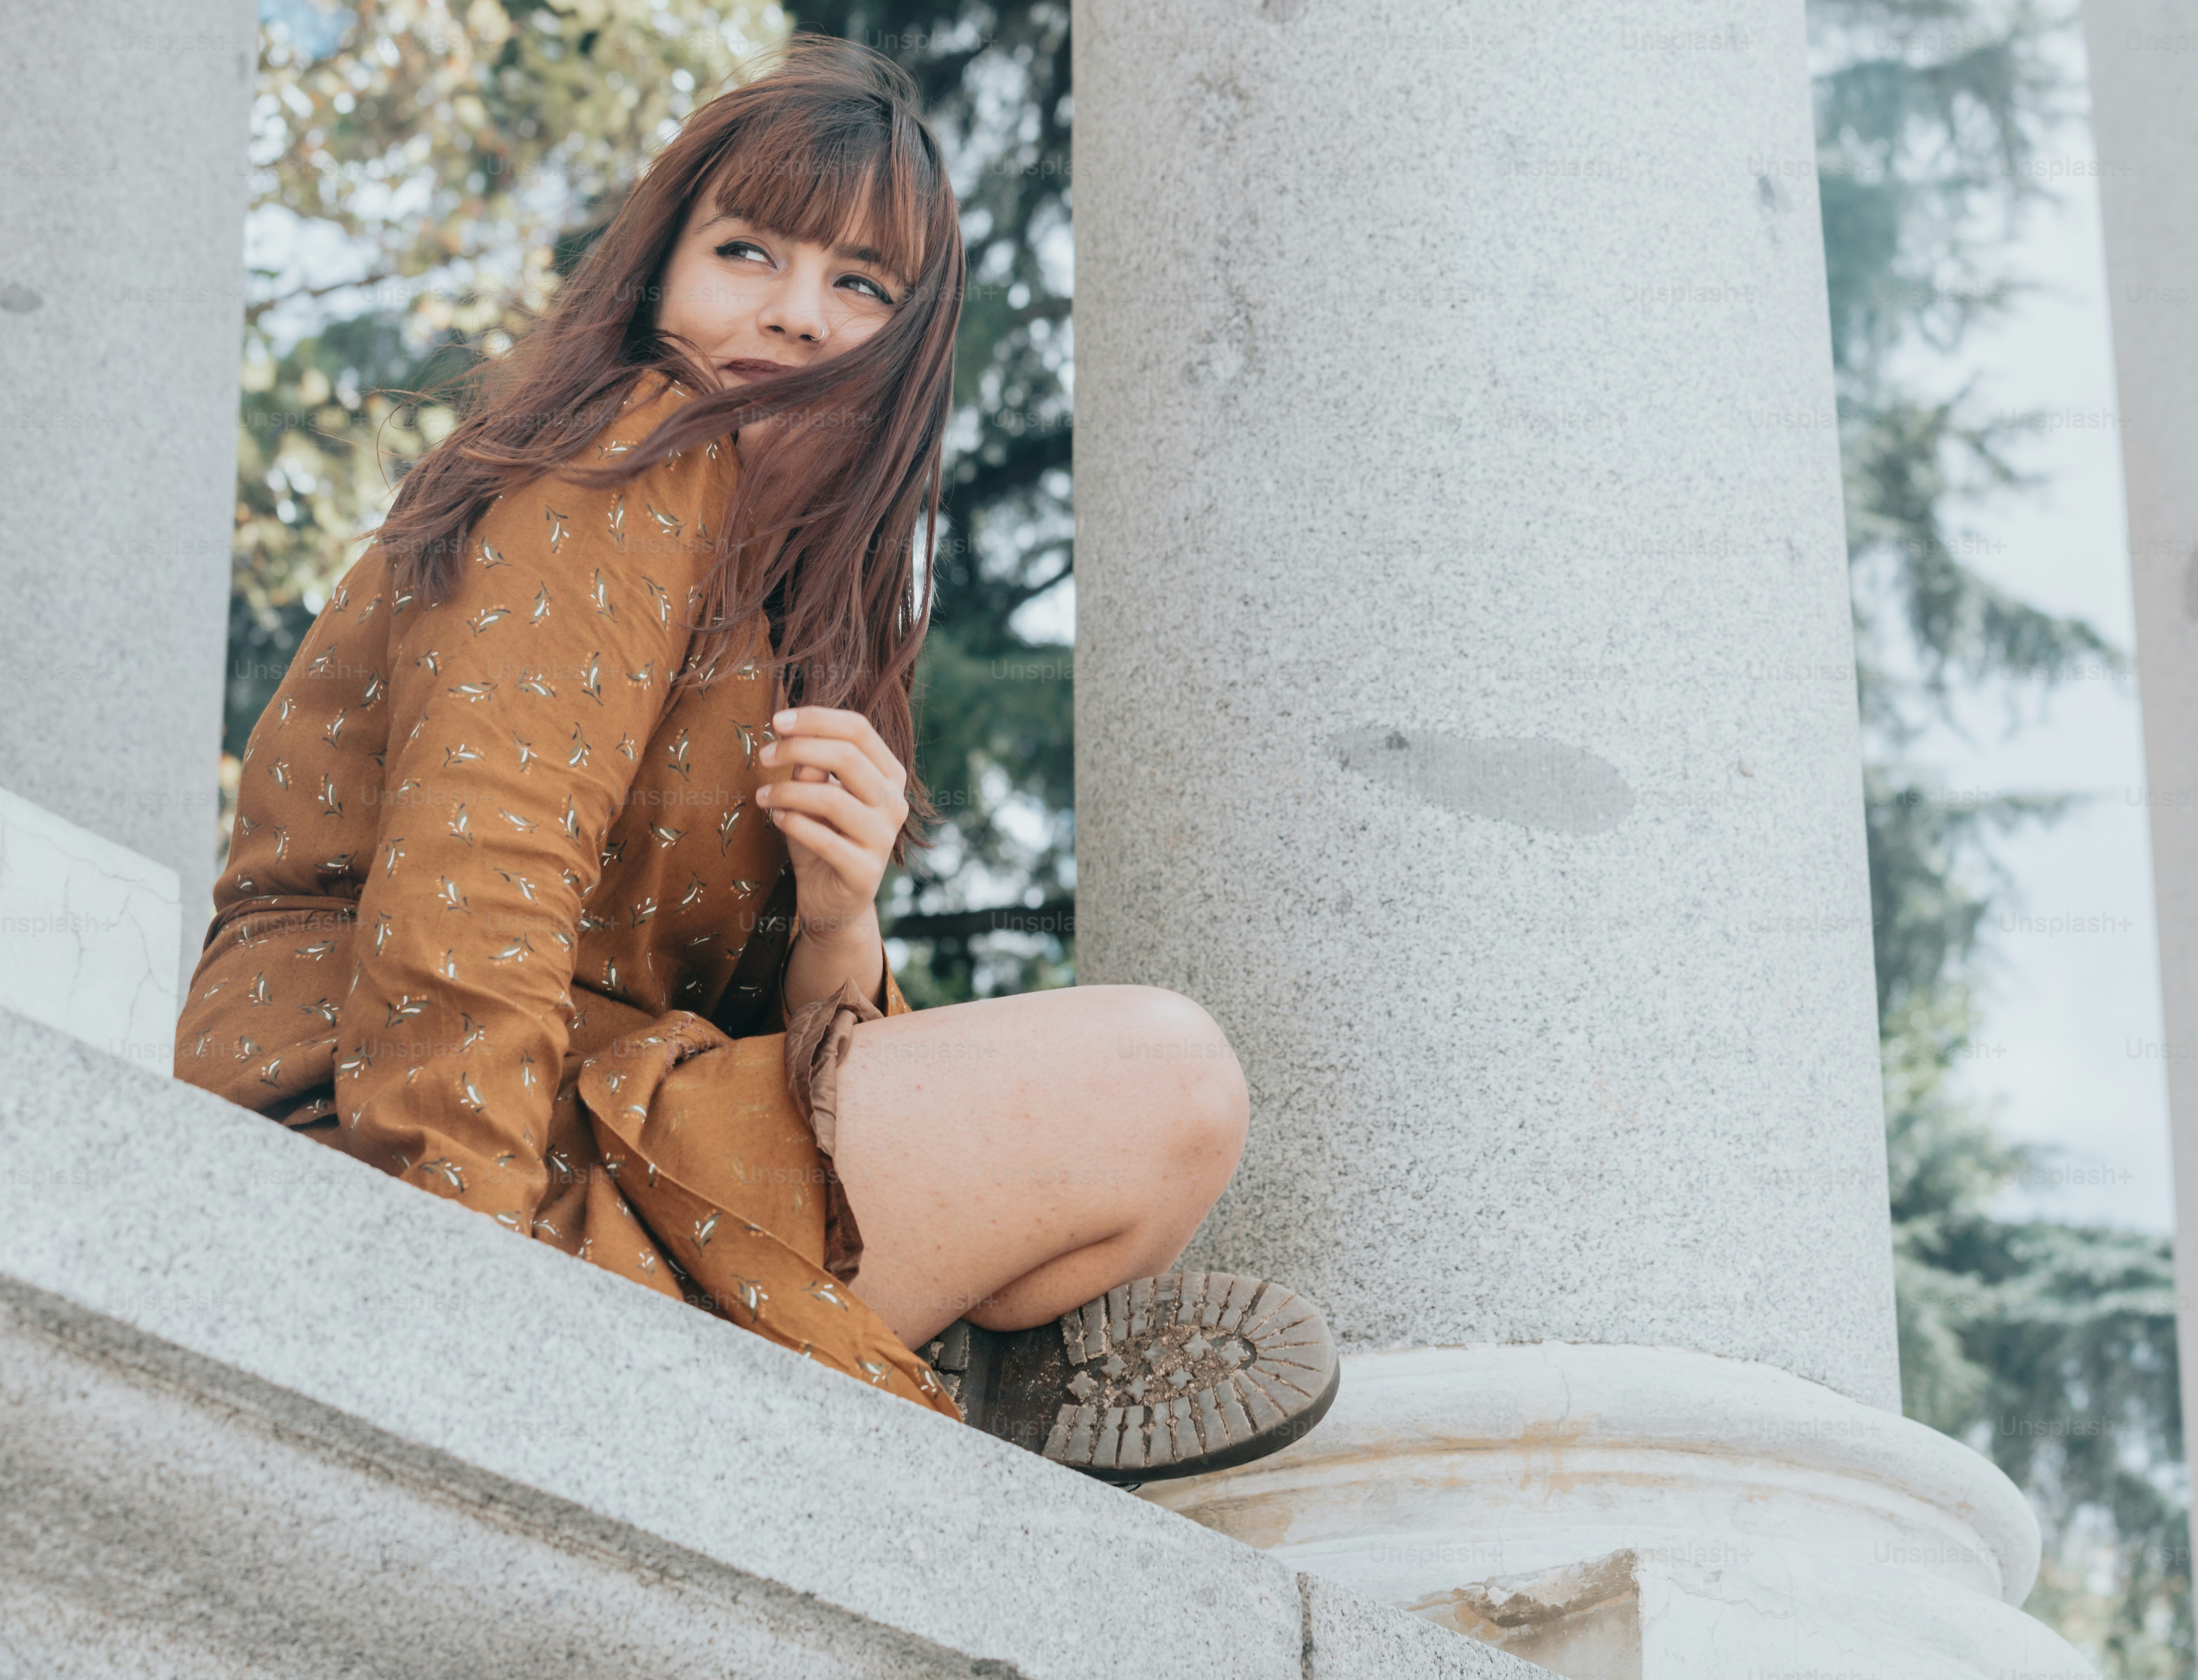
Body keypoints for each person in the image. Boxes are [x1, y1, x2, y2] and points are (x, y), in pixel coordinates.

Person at [174, 35, 1335, 1482]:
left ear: (912, 346)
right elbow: (477, 869)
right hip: (389, 1128)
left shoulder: (807, 610)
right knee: (1163, 1075)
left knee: (1159, 1132)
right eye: (749, 253)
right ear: (660, 273)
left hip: (618, 1132)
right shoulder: (623, 447)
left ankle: (925, 1363)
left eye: (862, 286)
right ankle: (935, 1373)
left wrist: (840, 917)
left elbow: (806, 1053)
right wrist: (449, 1272)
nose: (796, 317)